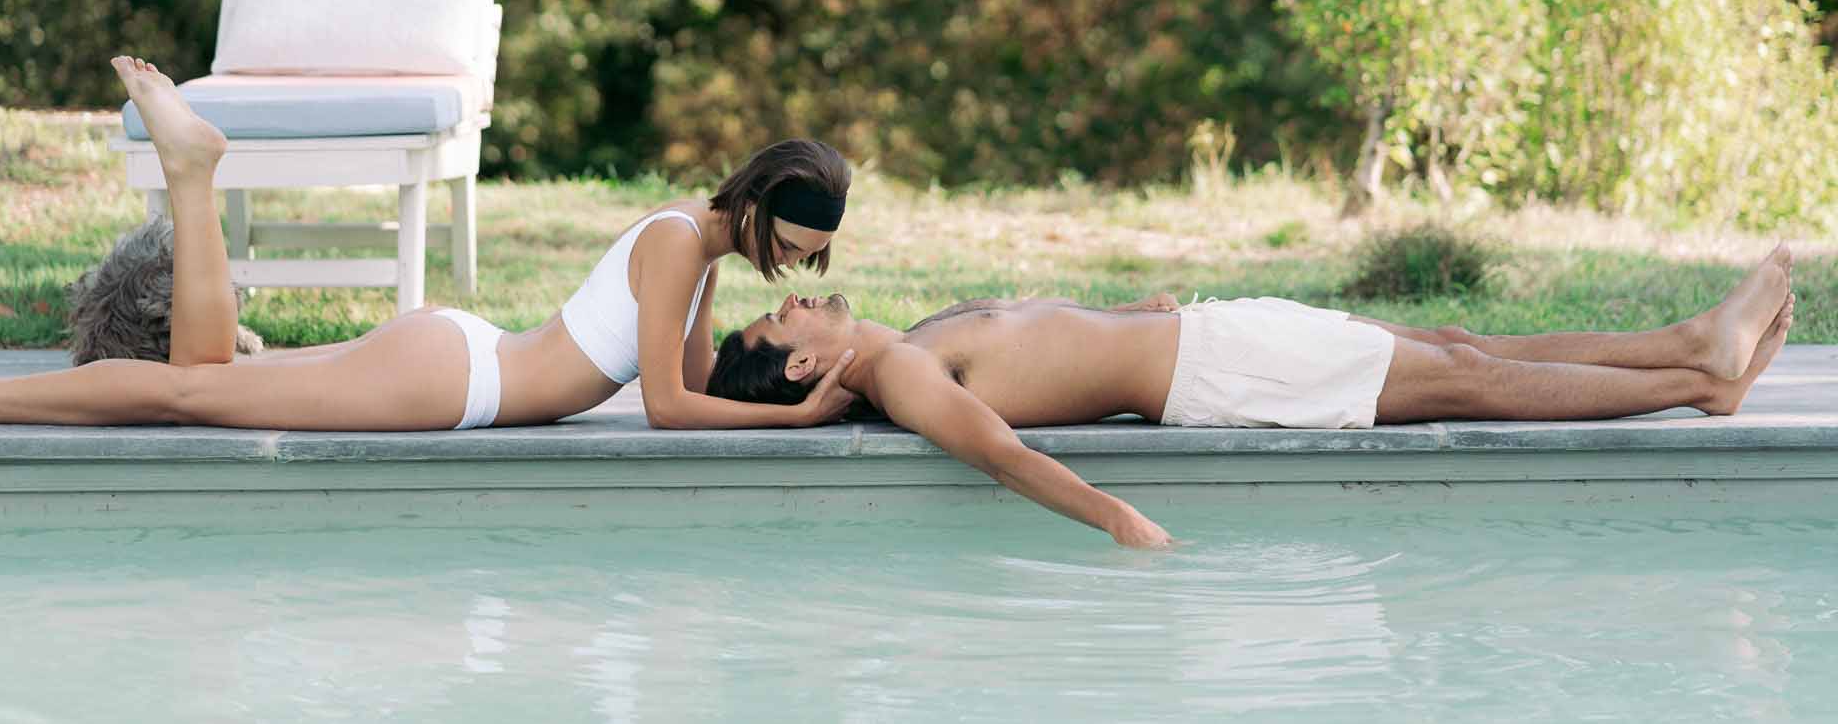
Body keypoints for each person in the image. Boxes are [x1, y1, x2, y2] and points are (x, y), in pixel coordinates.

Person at [0, 57, 860, 432]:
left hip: (459, 360)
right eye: (796, 245)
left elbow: (691, 381)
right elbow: (666, 409)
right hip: (454, 383)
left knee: (201, 376)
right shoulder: (682, 246)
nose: (796, 268)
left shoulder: (697, 242)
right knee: (189, 393)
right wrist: (799, 419)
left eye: (809, 260)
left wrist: (767, 372)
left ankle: (194, 177)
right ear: (764, 204)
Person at [705, 254, 1798, 548]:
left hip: (1215, 337)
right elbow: (999, 454)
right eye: (778, 320)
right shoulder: (899, 374)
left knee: (1458, 342)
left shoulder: (916, 336)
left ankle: (1691, 352)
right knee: (1469, 381)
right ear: (802, 366)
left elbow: (1053, 354)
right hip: (1223, 376)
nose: (795, 298)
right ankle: (1697, 377)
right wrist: (1114, 517)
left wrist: (1129, 313)